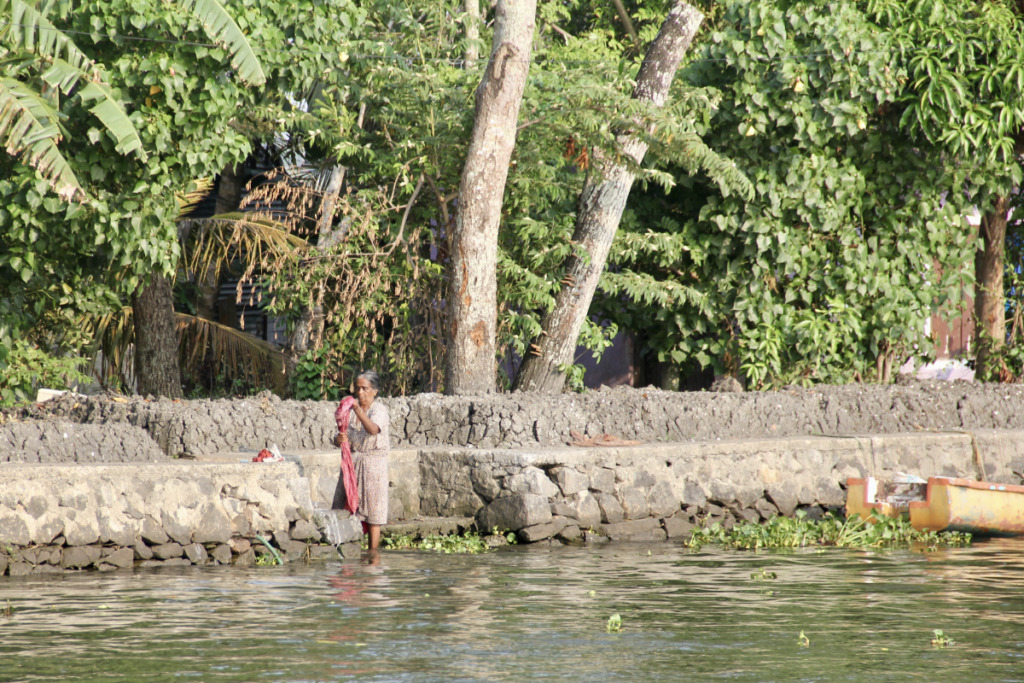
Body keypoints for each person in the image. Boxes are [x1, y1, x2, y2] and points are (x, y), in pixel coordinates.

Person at [337, 370, 390, 551]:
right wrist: (339, 440)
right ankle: (350, 550)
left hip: (373, 468)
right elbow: (342, 434)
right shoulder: (350, 412)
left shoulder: (379, 410)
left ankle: (373, 555)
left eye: (364, 389)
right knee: (349, 510)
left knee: (374, 514)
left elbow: (373, 430)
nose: (360, 393)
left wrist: (359, 411)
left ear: (374, 391)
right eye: (358, 389)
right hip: (353, 467)